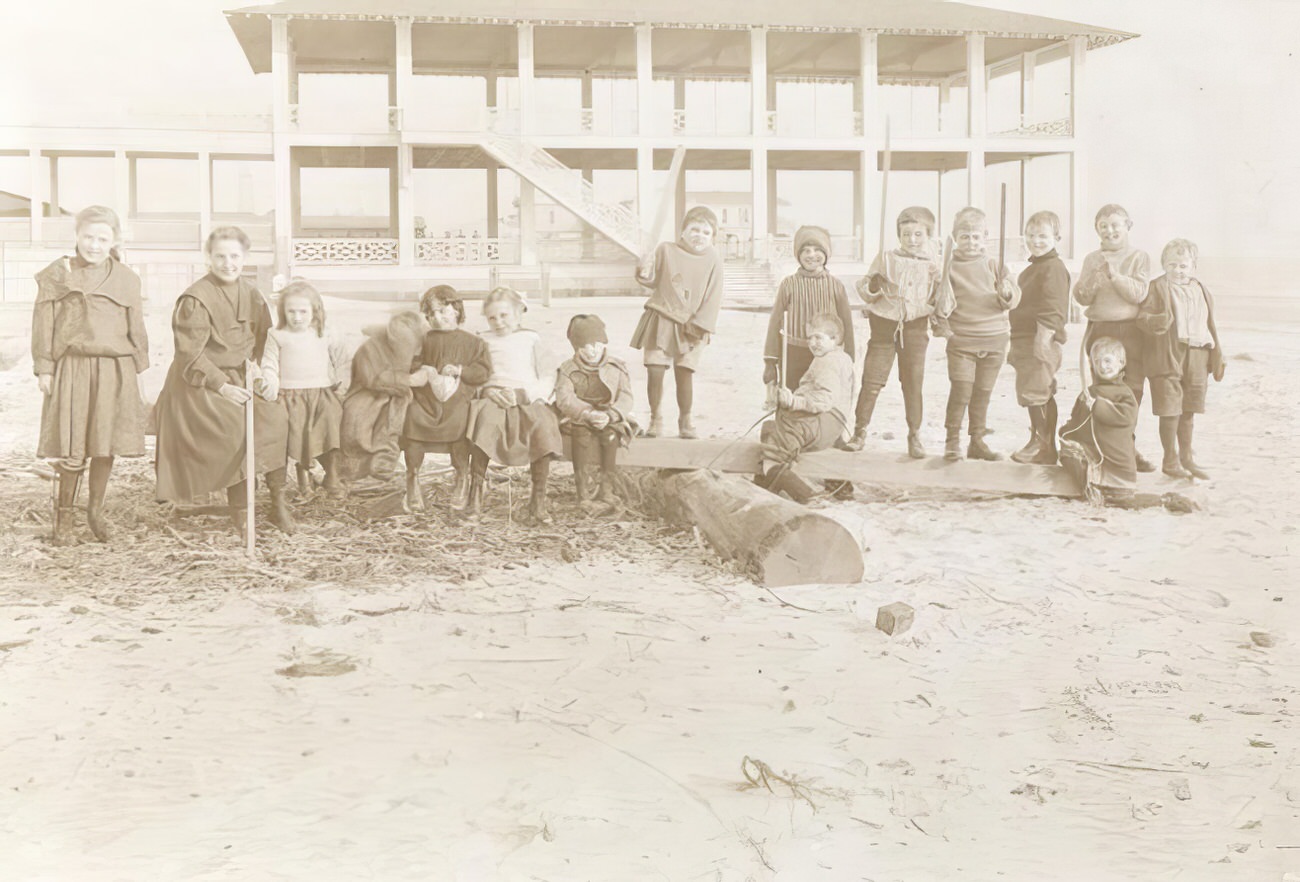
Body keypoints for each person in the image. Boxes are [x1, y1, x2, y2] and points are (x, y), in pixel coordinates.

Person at [156, 227, 294, 533]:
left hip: (242, 376)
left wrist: (257, 371)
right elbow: (189, 355)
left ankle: (276, 500)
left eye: (234, 256)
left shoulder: (253, 295)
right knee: (236, 425)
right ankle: (241, 511)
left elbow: (262, 340)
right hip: (199, 382)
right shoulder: (195, 299)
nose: (227, 263)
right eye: (220, 256)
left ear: (245, 258)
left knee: (275, 416)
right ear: (208, 257)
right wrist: (223, 386)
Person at [31, 205, 148, 545]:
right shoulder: (59, 273)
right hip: (73, 369)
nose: (94, 245)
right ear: (77, 237)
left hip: (115, 370)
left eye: (102, 238)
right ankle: (64, 517)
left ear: (114, 240)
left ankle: (95, 512)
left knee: (104, 443)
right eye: (88, 237)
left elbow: (136, 329)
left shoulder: (127, 278)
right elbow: (44, 325)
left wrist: (139, 375)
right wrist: (45, 368)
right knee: (72, 444)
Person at [845, 206, 941, 457]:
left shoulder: (934, 265)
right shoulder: (886, 258)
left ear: (928, 235)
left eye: (918, 234)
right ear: (898, 234)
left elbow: (941, 296)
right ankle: (860, 431)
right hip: (884, 326)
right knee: (872, 381)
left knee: (912, 383)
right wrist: (872, 287)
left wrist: (938, 307)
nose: (912, 240)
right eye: (906, 234)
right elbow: (866, 287)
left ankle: (915, 436)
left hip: (915, 327)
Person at [464, 287, 564, 524]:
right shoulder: (481, 340)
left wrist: (523, 394)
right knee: (484, 421)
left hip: (525, 397)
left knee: (543, 423)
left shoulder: (531, 339)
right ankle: (475, 495)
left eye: (504, 315)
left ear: (518, 314)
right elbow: (477, 374)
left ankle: (538, 501)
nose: (498, 322)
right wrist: (488, 391)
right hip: (494, 397)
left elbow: (549, 376)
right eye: (492, 317)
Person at [1072, 203, 1156, 472]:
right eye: (1103, 226)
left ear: (1128, 226)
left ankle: (1127, 447)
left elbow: (1139, 294)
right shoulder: (1091, 259)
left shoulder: (1139, 256)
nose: (1110, 231)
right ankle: (1105, 449)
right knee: (1103, 392)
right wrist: (1094, 280)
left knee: (1131, 392)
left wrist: (1115, 276)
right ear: (1097, 229)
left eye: (1115, 225)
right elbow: (1081, 297)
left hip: (1131, 330)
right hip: (1100, 329)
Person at [630, 205, 724, 439]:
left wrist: (699, 325)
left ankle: (685, 420)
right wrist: (643, 271)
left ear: (713, 237)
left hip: (692, 324)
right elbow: (652, 279)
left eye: (705, 232)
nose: (699, 236)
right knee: (655, 371)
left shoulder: (713, 259)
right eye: (694, 229)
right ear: (682, 231)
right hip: (662, 317)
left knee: (684, 372)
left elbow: (714, 296)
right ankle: (656, 418)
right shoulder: (666, 250)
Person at [935, 207, 1021, 461]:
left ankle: (977, 441)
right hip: (962, 340)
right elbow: (938, 301)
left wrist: (1007, 294)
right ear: (954, 237)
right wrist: (945, 330)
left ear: (985, 237)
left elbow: (1013, 298)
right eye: (964, 236)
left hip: (995, 338)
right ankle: (952, 441)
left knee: (983, 392)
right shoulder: (948, 268)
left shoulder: (996, 264)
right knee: (961, 390)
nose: (970, 242)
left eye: (975, 236)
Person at [1137, 239, 1225, 479]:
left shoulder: (1202, 290)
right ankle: (1170, 459)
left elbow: (1210, 324)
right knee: (1169, 408)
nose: (1177, 270)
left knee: (1188, 409)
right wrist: (1154, 322)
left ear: (1193, 266)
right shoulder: (1157, 287)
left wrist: (1217, 353)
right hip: (1168, 353)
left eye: (1183, 265)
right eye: (1172, 264)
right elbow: (1141, 317)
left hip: (1198, 353)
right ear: (1164, 264)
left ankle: (1187, 458)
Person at [402, 285, 492, 512]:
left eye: (442, 311)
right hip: (427, 397)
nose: (437, 318)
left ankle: (461, 476)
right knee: (412, 415)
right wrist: (423, 370)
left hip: (457, 397)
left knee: (462, 420)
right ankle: (412, 477)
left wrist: (461, 371)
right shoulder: (423, 340)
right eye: (431, 314)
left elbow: (483, 372)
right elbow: (410, 365)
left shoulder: (474, 343)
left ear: (457, 310)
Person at [258, 280, 349, 498]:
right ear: (282, 311)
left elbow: (342, 361)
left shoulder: (325, 332)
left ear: (315, 310)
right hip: (290, 396)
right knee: (296, 434)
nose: (297, 317)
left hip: (321, 394)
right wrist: (269, 382)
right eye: (291, 311)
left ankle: (332, 475)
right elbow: (270, 363)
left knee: (330, 425)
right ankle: (301, 476)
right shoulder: (276, 334)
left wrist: (343, 385)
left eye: (303, 311)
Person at [756, 313, 855, 502]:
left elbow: (824, 399)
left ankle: (804, 494)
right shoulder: (840, 357)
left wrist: (794, 402)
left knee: (776, 437)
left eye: (818, 337)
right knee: (772, 427)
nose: (813, 342)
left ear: (835, 339)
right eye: (810, 338)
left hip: (825, 421)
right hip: (834, 423)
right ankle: (766, 482)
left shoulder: (828, 362)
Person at [1008, 211, 1071, 465]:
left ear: (1057, 238)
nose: (1036, 240)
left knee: (1037, 391)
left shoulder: (1053, 268)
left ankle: (1042, 445)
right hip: (1024, 338)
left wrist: (1043, 340)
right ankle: (1042, 443)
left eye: (1043, 236)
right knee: (1034, 391)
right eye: (1031, 235)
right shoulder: (1032, 269)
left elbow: (1053, 308)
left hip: (1040, 338)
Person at [555, 314, 635, 512]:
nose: (591, 351)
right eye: (584, 347)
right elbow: (564, 398)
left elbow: (626, 397)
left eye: (596, 345)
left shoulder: (616, 367)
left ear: (603, 343)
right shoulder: (567, 369)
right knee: (580, 438)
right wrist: (586, 413)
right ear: (576, 348)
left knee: (610, 437)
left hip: (609, 417)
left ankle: (606, 489)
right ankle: (583, 492)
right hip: (580, 418)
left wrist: (612, 414)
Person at [763, 224, 855, 393]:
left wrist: (849, 356)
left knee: (823, 397)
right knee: (792, 397)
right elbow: (775, 322)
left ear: (826, 253)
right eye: (805, 250)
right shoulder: (788, 284)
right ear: (798, 255)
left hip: (827, 353)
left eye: (817, 249)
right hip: (794, 353)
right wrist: (770, 361)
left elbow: (847, 323)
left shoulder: (836, 286)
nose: (811, 255)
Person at [339, 311, 427, 485]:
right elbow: (368, 377)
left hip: (401, 395)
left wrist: (421, 374)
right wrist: (405, 379)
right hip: (368, 392)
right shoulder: (371, 347)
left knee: (394, 416)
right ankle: (357, 467)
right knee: (358, 415)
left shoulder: (421, 346)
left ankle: (383, 464)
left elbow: (422, 366)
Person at [1059, 337, 1139, 505]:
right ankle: (1091, 486)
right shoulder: (1089, 392)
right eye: (1098, 361)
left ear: (1121, 362)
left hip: (1116, 462)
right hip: (1094, 452)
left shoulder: (1124, 393)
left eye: (1108, 360)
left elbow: (1125, 417)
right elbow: (1077, 423)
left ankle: (1094, 489)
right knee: (1068, 453)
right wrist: (1066, 432)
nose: (1103, 366)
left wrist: (1097, 405)